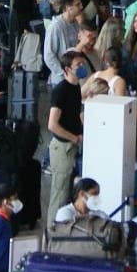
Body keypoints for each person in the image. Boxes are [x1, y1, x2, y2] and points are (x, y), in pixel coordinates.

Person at [44, 49, 87, 224]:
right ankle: (51, 232)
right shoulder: (61, 90)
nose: (82, 68)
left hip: (72, 145)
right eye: (78, 65)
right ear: (67, 69)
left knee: (68, 193)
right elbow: (52, 124)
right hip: (62, 147)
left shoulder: (76, 87)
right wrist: (74, 137)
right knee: (59, 195)